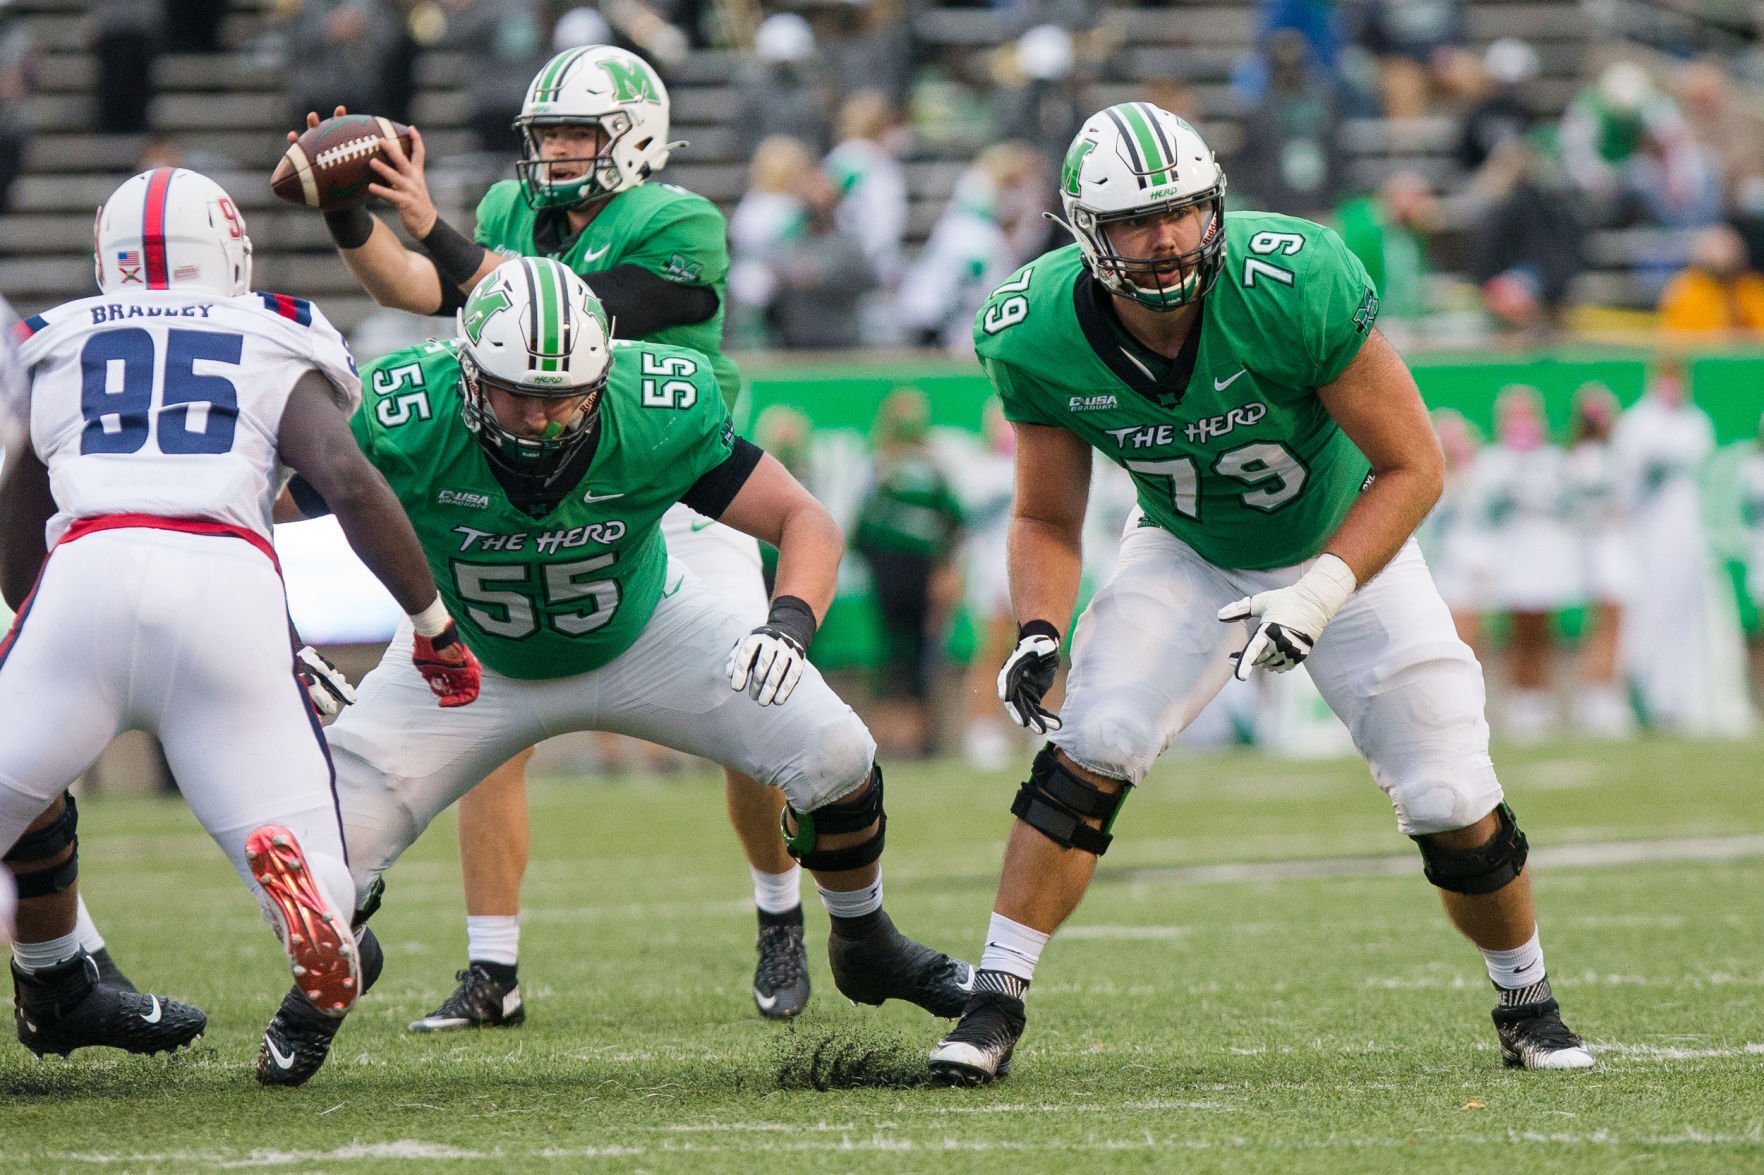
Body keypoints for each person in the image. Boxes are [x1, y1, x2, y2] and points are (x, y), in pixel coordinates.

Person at [926, 103, 1593, 1084]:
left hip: (1342, 543)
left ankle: (1527, 999)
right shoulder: (1035, 331)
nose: (1166, 239)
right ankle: (994, 999)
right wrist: (1036, 628)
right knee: (1097, 735)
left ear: (1217, 206)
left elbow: (1412, 466)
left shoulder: (1293, 279)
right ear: (1083, 231)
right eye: (1136, 222)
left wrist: (1319, 592)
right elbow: (1044, 519)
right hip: (1185, 545)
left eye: (1185, 212)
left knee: (1450, 790)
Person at [256, 257, 974, 1085]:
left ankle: (865, 938)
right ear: (466, 372)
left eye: (564, 396)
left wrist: (787, 626)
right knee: (302, 867)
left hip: (647, 633)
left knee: (839, 752)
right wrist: (273, 633)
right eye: (517, 393)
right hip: (466, 661)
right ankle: (336, 969)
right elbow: (241, 505)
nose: (541, 419)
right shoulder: (407, 415)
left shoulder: (653, 405)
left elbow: (801, 517)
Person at [297, 43, 815, 1025]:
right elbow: (412, 288)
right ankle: (494, 968)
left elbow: (568, 314)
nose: (559, 153)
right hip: (534, 480)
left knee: (752, 725)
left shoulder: (681, 222)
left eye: (579, 133)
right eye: (547, 136)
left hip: (671, 488)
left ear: (637, 138)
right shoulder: (506, 212)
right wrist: (345, 211)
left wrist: (430, 224)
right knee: (490, 715)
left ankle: (779, 910)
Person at [0, 168, 481, 1063]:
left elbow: (20, 528)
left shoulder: (54, 339)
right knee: (311, 861)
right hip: (225, 583)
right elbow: (346, 478)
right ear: (230, 252)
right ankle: (312, 905)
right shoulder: (270, 330)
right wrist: (433, 625)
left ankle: (57, 971)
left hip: (90, 567)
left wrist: (42, 629)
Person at [853, 388, 965, 758]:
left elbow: (954, 523)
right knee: (892, 654)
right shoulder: (877, 465)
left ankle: (922, 740)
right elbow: (860, 528)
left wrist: (946, 572)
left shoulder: (933, 467)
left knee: (922, 654)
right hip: (888, 572)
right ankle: (886, 739)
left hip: (922, 573)